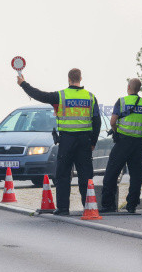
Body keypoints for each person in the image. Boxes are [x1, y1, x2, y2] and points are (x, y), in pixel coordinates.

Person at [17, 68, 101, 215]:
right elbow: (97, 122)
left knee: (62, 174)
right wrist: (93, 141)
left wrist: (23, 84)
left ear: (69, 79)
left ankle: (63, 209)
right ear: (80, 79)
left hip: (67, 140)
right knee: (85, 176)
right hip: (84, 141)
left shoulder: (61, 96)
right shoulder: (91, 97)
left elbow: (39, 95)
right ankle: (89, 207)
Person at [101, 78, 142, 213]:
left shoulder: (121, 101)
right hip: (138, 144)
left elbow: (113, 121)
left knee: (112, 173)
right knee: (137, 175)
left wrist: (116, 131)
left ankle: (108, 205)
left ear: (129, 87)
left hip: (123, 142)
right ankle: (131, 205)